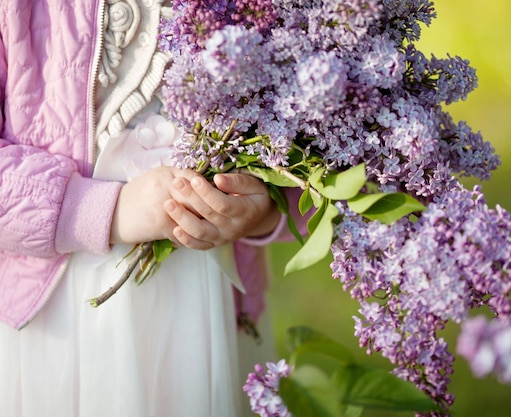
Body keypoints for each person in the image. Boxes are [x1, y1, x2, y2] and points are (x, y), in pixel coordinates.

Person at [0, 1, 305, 416]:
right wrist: (101, 209)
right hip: (55, 300)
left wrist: (267, 205)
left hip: (210, 286)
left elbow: (319, 121)